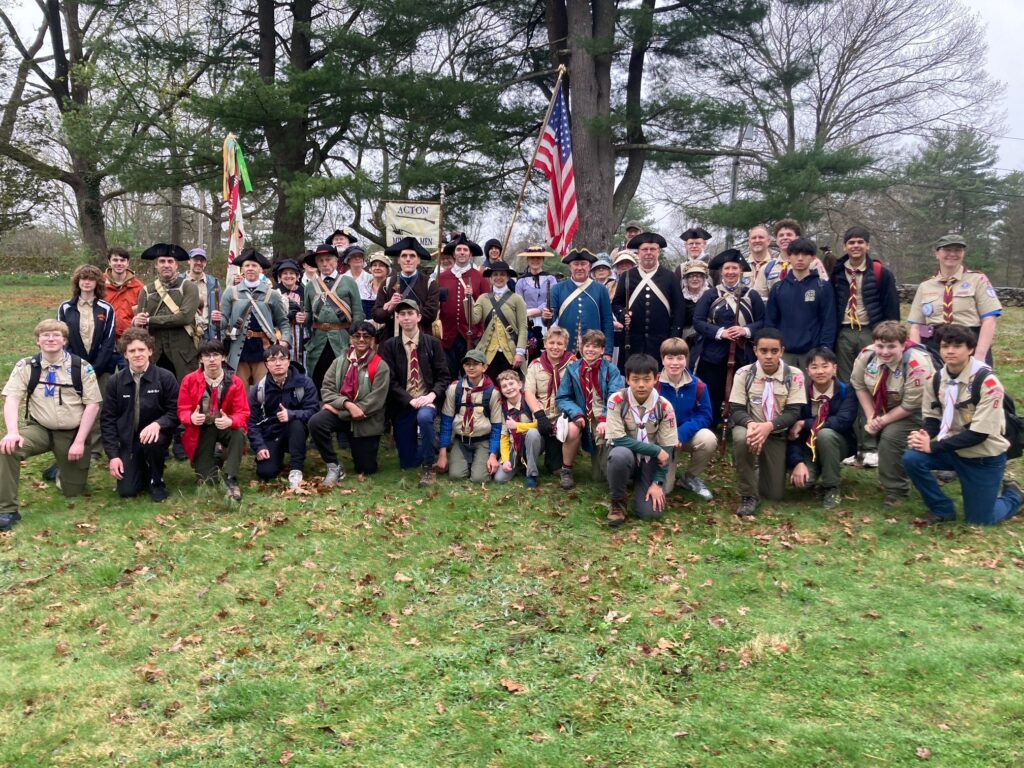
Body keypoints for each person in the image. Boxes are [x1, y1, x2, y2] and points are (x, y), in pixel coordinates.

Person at [904, 324, 1022, 525]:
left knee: (981, 520)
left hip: (983, 456)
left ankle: (1014, 495)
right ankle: (942, 509)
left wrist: (932, 446)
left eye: (957, 346)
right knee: (912, 458)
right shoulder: (936, 379)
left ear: (970, 349)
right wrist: (923, 435)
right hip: (952, 450)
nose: (950, 351)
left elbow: (979, 434)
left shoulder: (987, 382)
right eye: (945, 346)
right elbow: (933, 418)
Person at [0, 320, 102, 531]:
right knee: (6, 449)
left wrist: (80, 441)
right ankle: (7, 510)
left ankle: (60, 470)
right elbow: (11, 399)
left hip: (72, 434)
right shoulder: (27, 366)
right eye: (45, 335)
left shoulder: (81, 368)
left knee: (73, 491)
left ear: (64, 341)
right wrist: (12, 432)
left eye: (56, 335)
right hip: (40, 429)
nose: (50, 339)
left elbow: (93, 405)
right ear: (38, 340)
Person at [850, 320, 935, 502]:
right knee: (879, 433)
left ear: (903, 345)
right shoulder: (867, 355)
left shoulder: (916, 364)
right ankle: (896, 473)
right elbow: (859, 386)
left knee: (890, 437)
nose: (885, 352)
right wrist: (872, 416)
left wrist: (882, 421)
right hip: (882, 407)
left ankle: (897, 491)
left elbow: (911, 404)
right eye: (880, 346)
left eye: (891, 346)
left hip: (917, 411)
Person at [728, 328, 807, 517]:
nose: (769, 356)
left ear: (782, 351)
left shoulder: (794, 374)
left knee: (774, 494)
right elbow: (736, 409)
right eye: (763, 351)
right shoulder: (743, 374)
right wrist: (750, 424)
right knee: (740, 439)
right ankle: (748, 495)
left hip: (776, 434)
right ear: (755, 350)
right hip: (750, 429)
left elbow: (793, 412)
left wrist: (769, 426)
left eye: (774, 351)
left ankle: (759, 470)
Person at [100, 328, 179, 502]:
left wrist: (158, 424)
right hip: (129, 440)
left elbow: (175, 412)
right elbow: (108, 420)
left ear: (150, 351)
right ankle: (141, 468)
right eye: (132, 351)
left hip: (157, 436)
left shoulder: (165, 377)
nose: (137, 354)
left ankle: (157, 481)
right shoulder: (115, 382)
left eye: (141, 349)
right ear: (125, 355)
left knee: (152, 442)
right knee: (127, 491)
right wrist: (113, 456)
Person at [378, 299, 451, 486]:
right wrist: (409, 400)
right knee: (407, 463)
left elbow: (444, 377)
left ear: (418, 317)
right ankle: (433, 443)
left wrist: (431, 396)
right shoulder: (389, 346)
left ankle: (428, 467)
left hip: (427, 401)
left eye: (410, 313)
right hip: (404, 404)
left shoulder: (432, 343)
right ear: (397, 318)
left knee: (425, 418)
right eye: (402, 314)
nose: (406, 318)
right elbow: (390, 381)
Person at [309, 321, 390, 482]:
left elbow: (376, 401)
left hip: (365, 420)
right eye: (357, 336)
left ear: (373, 340)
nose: (361, 340)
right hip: (346, 412)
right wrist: (347, 405)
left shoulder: (380, 366)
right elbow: (327, 389)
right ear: (350, 339)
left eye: (366, 336)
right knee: (316, 422)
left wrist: (340, 411)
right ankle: (333, 465)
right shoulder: (339, 361)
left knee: (366, 469)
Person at [692, 249, 765, 427]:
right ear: (721, 271)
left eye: (734, 268)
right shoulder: (710, 295)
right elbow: (698, 321)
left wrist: (745, 330)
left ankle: (740, 423)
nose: (731, 272)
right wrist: (721, 332)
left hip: (743, 352)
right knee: (713, 390)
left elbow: (763, 321)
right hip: (713, 354)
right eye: (727, 268)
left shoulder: (751, 295)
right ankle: (711, 423)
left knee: (741, 390)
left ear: (740, 270)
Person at [605, 353, 679, 527]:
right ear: (627, 380)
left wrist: (657, 482)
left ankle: (643, 483)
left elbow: (666, 448)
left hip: (650, 462)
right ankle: (618, 501)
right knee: (619, 456)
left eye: (647, 379)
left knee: (650, 514)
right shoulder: (616, 400)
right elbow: (618, 438)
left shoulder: (664, 406)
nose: (641, 385)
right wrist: (655, 450)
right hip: (626, 455)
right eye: (635, 379)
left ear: (656, 379)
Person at [907, 234, 1001, 366]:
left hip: (968, 344)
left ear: (963, 254)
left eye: (957, 250)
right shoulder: (925, 286)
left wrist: (979, 356)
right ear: (937, 253)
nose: (952, 254)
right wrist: (916, 356)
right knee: (935, 385)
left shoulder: (978, 280)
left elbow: (989, 320)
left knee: (971, 385)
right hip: (934, 346)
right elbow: (916, 326)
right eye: (947, 250)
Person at [177, 340, 250, 501]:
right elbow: (182, 410)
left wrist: (231, 421)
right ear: (200, 359)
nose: (211, 360)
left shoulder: (235, 382)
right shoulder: (189, 380)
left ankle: (231, 476)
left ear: (223, 357)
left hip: (226, 426)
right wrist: (191, 417)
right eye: (206, 356)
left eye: (216, 355)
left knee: (238, 432)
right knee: (208, 481)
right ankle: (215, 459)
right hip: (202, 429)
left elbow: (243, 412)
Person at [786, 347, 857, 509]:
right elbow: (792, 433)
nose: (820, 371)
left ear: (834, 368)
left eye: (825, 366)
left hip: (838, 443)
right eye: (814, 367)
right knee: (803, 483)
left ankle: (832, 487)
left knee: (825, 434)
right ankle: (815, 467)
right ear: (808, 372)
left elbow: (842, 421)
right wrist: (797, 462)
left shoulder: (847, 391)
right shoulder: (800, 394)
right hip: (808, 445)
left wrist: (806, 423)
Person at [555, 330, 625, 489]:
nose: (590, 350)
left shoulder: (611, 370)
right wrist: (576, 413)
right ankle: (566, 470)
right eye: (587, 346)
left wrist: (605, 419)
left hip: (603, 416)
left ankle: (617, 465)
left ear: (602, 350)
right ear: (581, 348)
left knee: (600, 477)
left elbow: (615, 398)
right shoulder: (573, 369)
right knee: (571, 429)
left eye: (595, 346)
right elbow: (562, 397)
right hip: (582, 416)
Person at [829, 227, 900, 382]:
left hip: (870, 330)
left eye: (860, 242)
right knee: (845, 379)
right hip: (844, 332)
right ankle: (847, 405)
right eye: (851, 242)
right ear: (844, 246)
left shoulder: (880, 272)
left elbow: (891, 306)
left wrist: (891, 335)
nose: (855, 246)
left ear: (867, 245)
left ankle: (868, 406)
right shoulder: (836, 272)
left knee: (871, 376)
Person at [248, 344, 320, 489]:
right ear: (266, 364)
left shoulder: (304, 383)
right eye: (273, 360)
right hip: (271, 432)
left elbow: (314, 411)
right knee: (266, 473)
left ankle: (296, 469)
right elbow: (252, 422)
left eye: (282, 359)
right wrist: (259, 446)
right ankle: (276, 457)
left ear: (289, 361)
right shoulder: (259, 389)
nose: (278, 363)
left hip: (296, 431)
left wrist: (292, 414)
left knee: (296, 423)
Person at [612, 232, 686, 366]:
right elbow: (616, 304)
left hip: (661, 341)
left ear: (659, 252)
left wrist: (673, 338)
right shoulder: (627, 276)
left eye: (653, 249)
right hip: (632, 341)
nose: (648, 253)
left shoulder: (670, 277)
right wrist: (622, 314)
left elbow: (679, 309)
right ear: (638, 253)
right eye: (644, 249)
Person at [221, 249, 291, 385]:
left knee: (264, 391)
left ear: (260, 269)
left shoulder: (273, 294)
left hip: (264, 350)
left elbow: (283, 322)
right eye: (247, 265)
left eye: (254, 266)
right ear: (242, 269)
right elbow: (223, 321)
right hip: (238, 349)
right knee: (239, 392)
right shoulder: (230, 292)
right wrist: (217, 320)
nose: (250, 269)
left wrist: (285, 341)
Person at [657, 337, 716, 500]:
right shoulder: (654, 384)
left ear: (686, 359)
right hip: (661, 439)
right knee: (665, 490)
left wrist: (681, 433)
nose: (675, 363)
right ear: (662, 360)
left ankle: (690, 477)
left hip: (685, 436)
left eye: (680, 358)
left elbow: (705, 415)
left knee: (708, 439)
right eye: (670, 358)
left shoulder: (698, 385)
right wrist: (668, 436)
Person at [133, 242, 200, 381]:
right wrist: (137, 321)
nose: (166, 265)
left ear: (176, 265)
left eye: (170, 261)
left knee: (185, 393)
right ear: (156, 265)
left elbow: (185, 317)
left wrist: (151, 320)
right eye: (162, 261)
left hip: (183, 353)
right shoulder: (146, 291)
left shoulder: (188, 287)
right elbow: (140, 326)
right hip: (154, 353)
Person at [766, 238, 836, 369]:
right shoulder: (778, 288)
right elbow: (770, 322)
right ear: (789, 257)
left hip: (812, 354)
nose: (800, 258)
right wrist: (772, 348)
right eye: (796, 254)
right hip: (784, 353)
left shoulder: (822, 286)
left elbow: (829, 321)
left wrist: (825, 350)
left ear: (813, 258)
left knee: (810, 389)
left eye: (805, 254)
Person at [437, 349, 503, 483]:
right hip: (461, 440)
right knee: (456, 476)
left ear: (484, 367)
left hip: (483, 440)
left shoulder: (493, 392)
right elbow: (446, 422)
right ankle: (468, 461)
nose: (471, 367)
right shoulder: (455, 388)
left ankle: (479, 460)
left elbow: (497, 427)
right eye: (467, 364)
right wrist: (442, 454)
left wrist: (493, 455)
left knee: (480, 478)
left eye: (475, 364)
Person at [303, 243, 364, 388]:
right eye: (321, 260)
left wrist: (354, 339)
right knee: (317, 378)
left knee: (343, 377)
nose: (325, 264)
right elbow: (308, 315)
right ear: (316, 264)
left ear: (336, 261)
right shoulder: (310, 286)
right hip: (318, 340)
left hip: (342, 338)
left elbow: (358, 312)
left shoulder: (349, 282)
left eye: (329, 259)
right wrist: (302, 319)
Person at [522, 326, 576, 478]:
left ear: (565, 346)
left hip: (562, 417)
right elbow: (529, 392)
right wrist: (540, 415)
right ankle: (531, 466)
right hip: (541, 415)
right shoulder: (535, 365)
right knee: (532, 437)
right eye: (551, 342)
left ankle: (558, 459)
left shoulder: (573, 364)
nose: (555, 347)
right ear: (545, 344)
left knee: (555, 468)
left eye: (560, 344)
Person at [543, 248, 614, 359]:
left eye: (583, 264)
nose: (579, 268)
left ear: (590, 267)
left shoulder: (600, 289)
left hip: (593, 349)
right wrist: (547, 316)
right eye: (576, 264)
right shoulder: (558, 288)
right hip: (565, 349)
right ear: (570, 267)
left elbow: (607, 321)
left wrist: (608, 351)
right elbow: (550, 318)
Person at [436, 234, 489, 375]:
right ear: (453, 253)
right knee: (448, 375)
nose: (461, 252)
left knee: (471, 376)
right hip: (447, 336)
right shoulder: (441, 278)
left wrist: (481, 332)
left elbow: (487, 307)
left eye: (465, 250)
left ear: (470, 254)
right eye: (458, 249)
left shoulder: (480, 278)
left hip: (471, 336)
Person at [372, 237, 439, 340]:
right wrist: (390, 307)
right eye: (404, 256)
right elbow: (377, 316)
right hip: (391, 340)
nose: (408, 259)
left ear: (418, 260)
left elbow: (430, 315)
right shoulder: (387, 283)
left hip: (421, 339)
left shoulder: (430, 283)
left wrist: (404, 311)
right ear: (398, 260)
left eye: (412, 256)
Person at [472, 260, 529, 382]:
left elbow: (523, 327)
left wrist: (520, 352)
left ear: (508, 277)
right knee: (489, 388)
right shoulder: (483, 298)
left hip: (511, 353)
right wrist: (468, 300)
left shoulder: (517, 299)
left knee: (510, 387)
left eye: (502, 274)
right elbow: (473, 320)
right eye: (495, 275)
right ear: (490, 278)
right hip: (488, 353)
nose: (498, 277)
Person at [493, 370, 541, 487]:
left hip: (533, 443)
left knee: (533, 433)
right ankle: (518, 464)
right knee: (499, 478)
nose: (508, 388)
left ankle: (532, 474)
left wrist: (517, 426)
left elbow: (539, 424)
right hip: (514, 447)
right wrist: (505, 460)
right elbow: (504, 436)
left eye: (511, 384)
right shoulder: (503, 407)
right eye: (504, 386)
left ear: (520, 385)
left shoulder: (530, 400)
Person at [514, 245, 559, 361]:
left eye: (538, 258)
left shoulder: (551, 279)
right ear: (528, 260)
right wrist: (526, 313)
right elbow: (518, 302)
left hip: (547, 319)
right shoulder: (521, 281)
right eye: (532, 258)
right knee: (530, 352)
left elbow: (552, 299)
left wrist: (538, 311)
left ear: (543, 260)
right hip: (527, 321)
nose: (535, 261)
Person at [103, 246, 144, 368]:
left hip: (128, 341)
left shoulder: (139, 287)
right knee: (102, 381)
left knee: (127, 380)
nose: (119, 263)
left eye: (122, 260)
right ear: (109, 262)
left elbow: (143, 315)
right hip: (104, 342)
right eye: (115, 260)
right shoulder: (99, 283)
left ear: (128, 263)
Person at [181, 247, 223, 342]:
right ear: (189, 261)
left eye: (202, 260)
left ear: (205, 263)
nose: (199, 263)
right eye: (196, 259)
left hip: (207, 333)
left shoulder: (214, 283)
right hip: (184, 332)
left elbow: (221, 311)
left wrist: (219, 333)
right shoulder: (179, 281)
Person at [273, 259, 306, 364]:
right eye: (285, 273)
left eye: (292, 273)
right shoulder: (274, 293)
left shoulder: (304, 291)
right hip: (281, 332)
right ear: (280, 276)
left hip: (301, 332)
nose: (289, 276)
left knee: (302, 360)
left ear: (297, 276)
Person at [678, 260, 712, 345]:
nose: (695, 279)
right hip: (684, 338)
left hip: (707, 337)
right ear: (686, 279)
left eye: (699, 276)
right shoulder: (679, 297)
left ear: (704, 279)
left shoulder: (712, 296)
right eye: (691, 276)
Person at [340, 245, 376, 319]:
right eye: (354, 256)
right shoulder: (341, 279)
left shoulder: (371, 278)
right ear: (348, 260)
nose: (357, 258)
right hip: (347, 316)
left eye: (360, 256)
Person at [745, 226, 773, 294]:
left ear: (768, 241)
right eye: (754, 238)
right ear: (749, 242)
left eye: (761, 237)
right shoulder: (741, 266)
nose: (757, 240)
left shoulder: (777, 265)